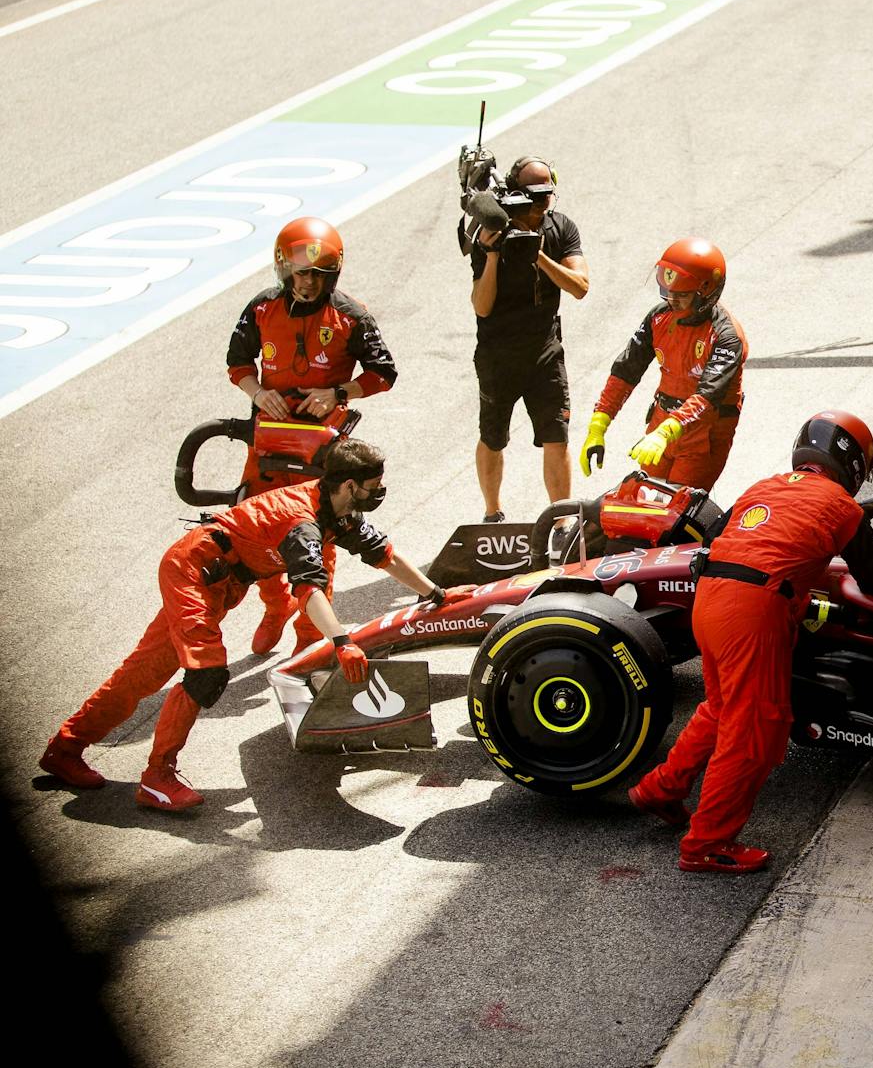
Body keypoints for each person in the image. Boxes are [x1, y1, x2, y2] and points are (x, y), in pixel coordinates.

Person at [39, 440, 471, 811]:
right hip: (193, 572)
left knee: (144, 672)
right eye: (374, 486)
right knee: (206, 673)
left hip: (220, 579)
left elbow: (384, 554)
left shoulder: (335, 509)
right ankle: (157, 779)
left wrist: (436, 594)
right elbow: (309, 591)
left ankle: (64, 749)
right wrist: (343, 642)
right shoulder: (301, 521)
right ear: (349, 485)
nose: (380, 492)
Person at [627, 411, 873, 873]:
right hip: (754, 608)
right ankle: (706, 844)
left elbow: (719, 540)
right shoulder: (840, 505)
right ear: (851, 464)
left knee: (720, 706)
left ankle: (660, 789)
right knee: (756, 726)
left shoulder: (762, 486)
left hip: (709, 601)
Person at [227, 217, 398, 655]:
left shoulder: (351, 316)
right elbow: (238, 364)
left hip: (324, 452)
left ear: (332, 275)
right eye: (302, 273)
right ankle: (275, 606)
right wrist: (259, 393)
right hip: (267, 443)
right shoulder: (261, 308)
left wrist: (339, 392)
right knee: (256, 531)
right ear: (284, 269)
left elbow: (384, 373)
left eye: (319, 275)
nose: (308, 283)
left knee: (320, 539)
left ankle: (308, 640)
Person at [465, 156, 589, 522]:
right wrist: (491, 254)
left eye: (545, 200)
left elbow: (580, 287)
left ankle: (562, 519)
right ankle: (492, 513)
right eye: (532, 201)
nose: (538, 209)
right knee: (493, 436)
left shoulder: (561, 228)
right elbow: (482, 306)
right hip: (498, 353)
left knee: (557, 436)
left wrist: (538, 255)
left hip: (545, 352)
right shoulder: (490, 230)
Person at [579, 239, 747, 491]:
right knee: (641, 501)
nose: (671, 300)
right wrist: (598, 424)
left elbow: (708, 395)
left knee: (676, 514)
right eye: (668, 292)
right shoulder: (659, 317)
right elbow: (626, 370)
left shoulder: (726, 337)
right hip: (662, 423)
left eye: (682, 295)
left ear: (706, 292)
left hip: (703, 433)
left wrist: (666, 432)